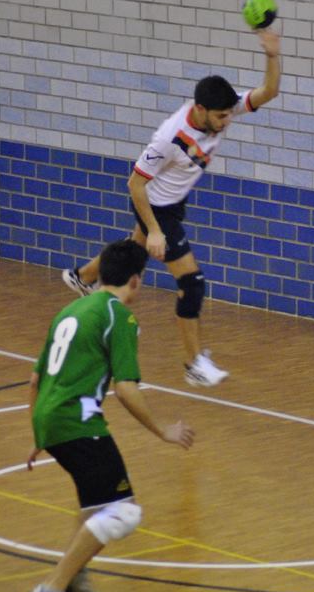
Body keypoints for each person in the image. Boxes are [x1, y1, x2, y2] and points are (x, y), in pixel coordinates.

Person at [62, 28, 282, 388]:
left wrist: (272, 55)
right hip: (155, 207)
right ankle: (193, 364)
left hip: (174, 203)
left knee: (133, 255)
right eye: (222, 117)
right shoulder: (169, 136)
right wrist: (156, 229)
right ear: (200, 110)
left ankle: (83, 276)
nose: (228, 122)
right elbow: (135, 185)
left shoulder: (219, 110)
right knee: (192, 283)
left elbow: (268, 92)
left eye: (230, 114)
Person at [28, 239, 195, 592]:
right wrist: (162, 431)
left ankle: (72, 579)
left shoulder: (71, 310)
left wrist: (39, 433)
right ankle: (50, 590)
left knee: (95, 505)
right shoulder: (118, 316)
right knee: (123, 513)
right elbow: (126, 389)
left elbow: (35, 378)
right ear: (136, 280)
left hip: (50, 418)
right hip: (78, 422)